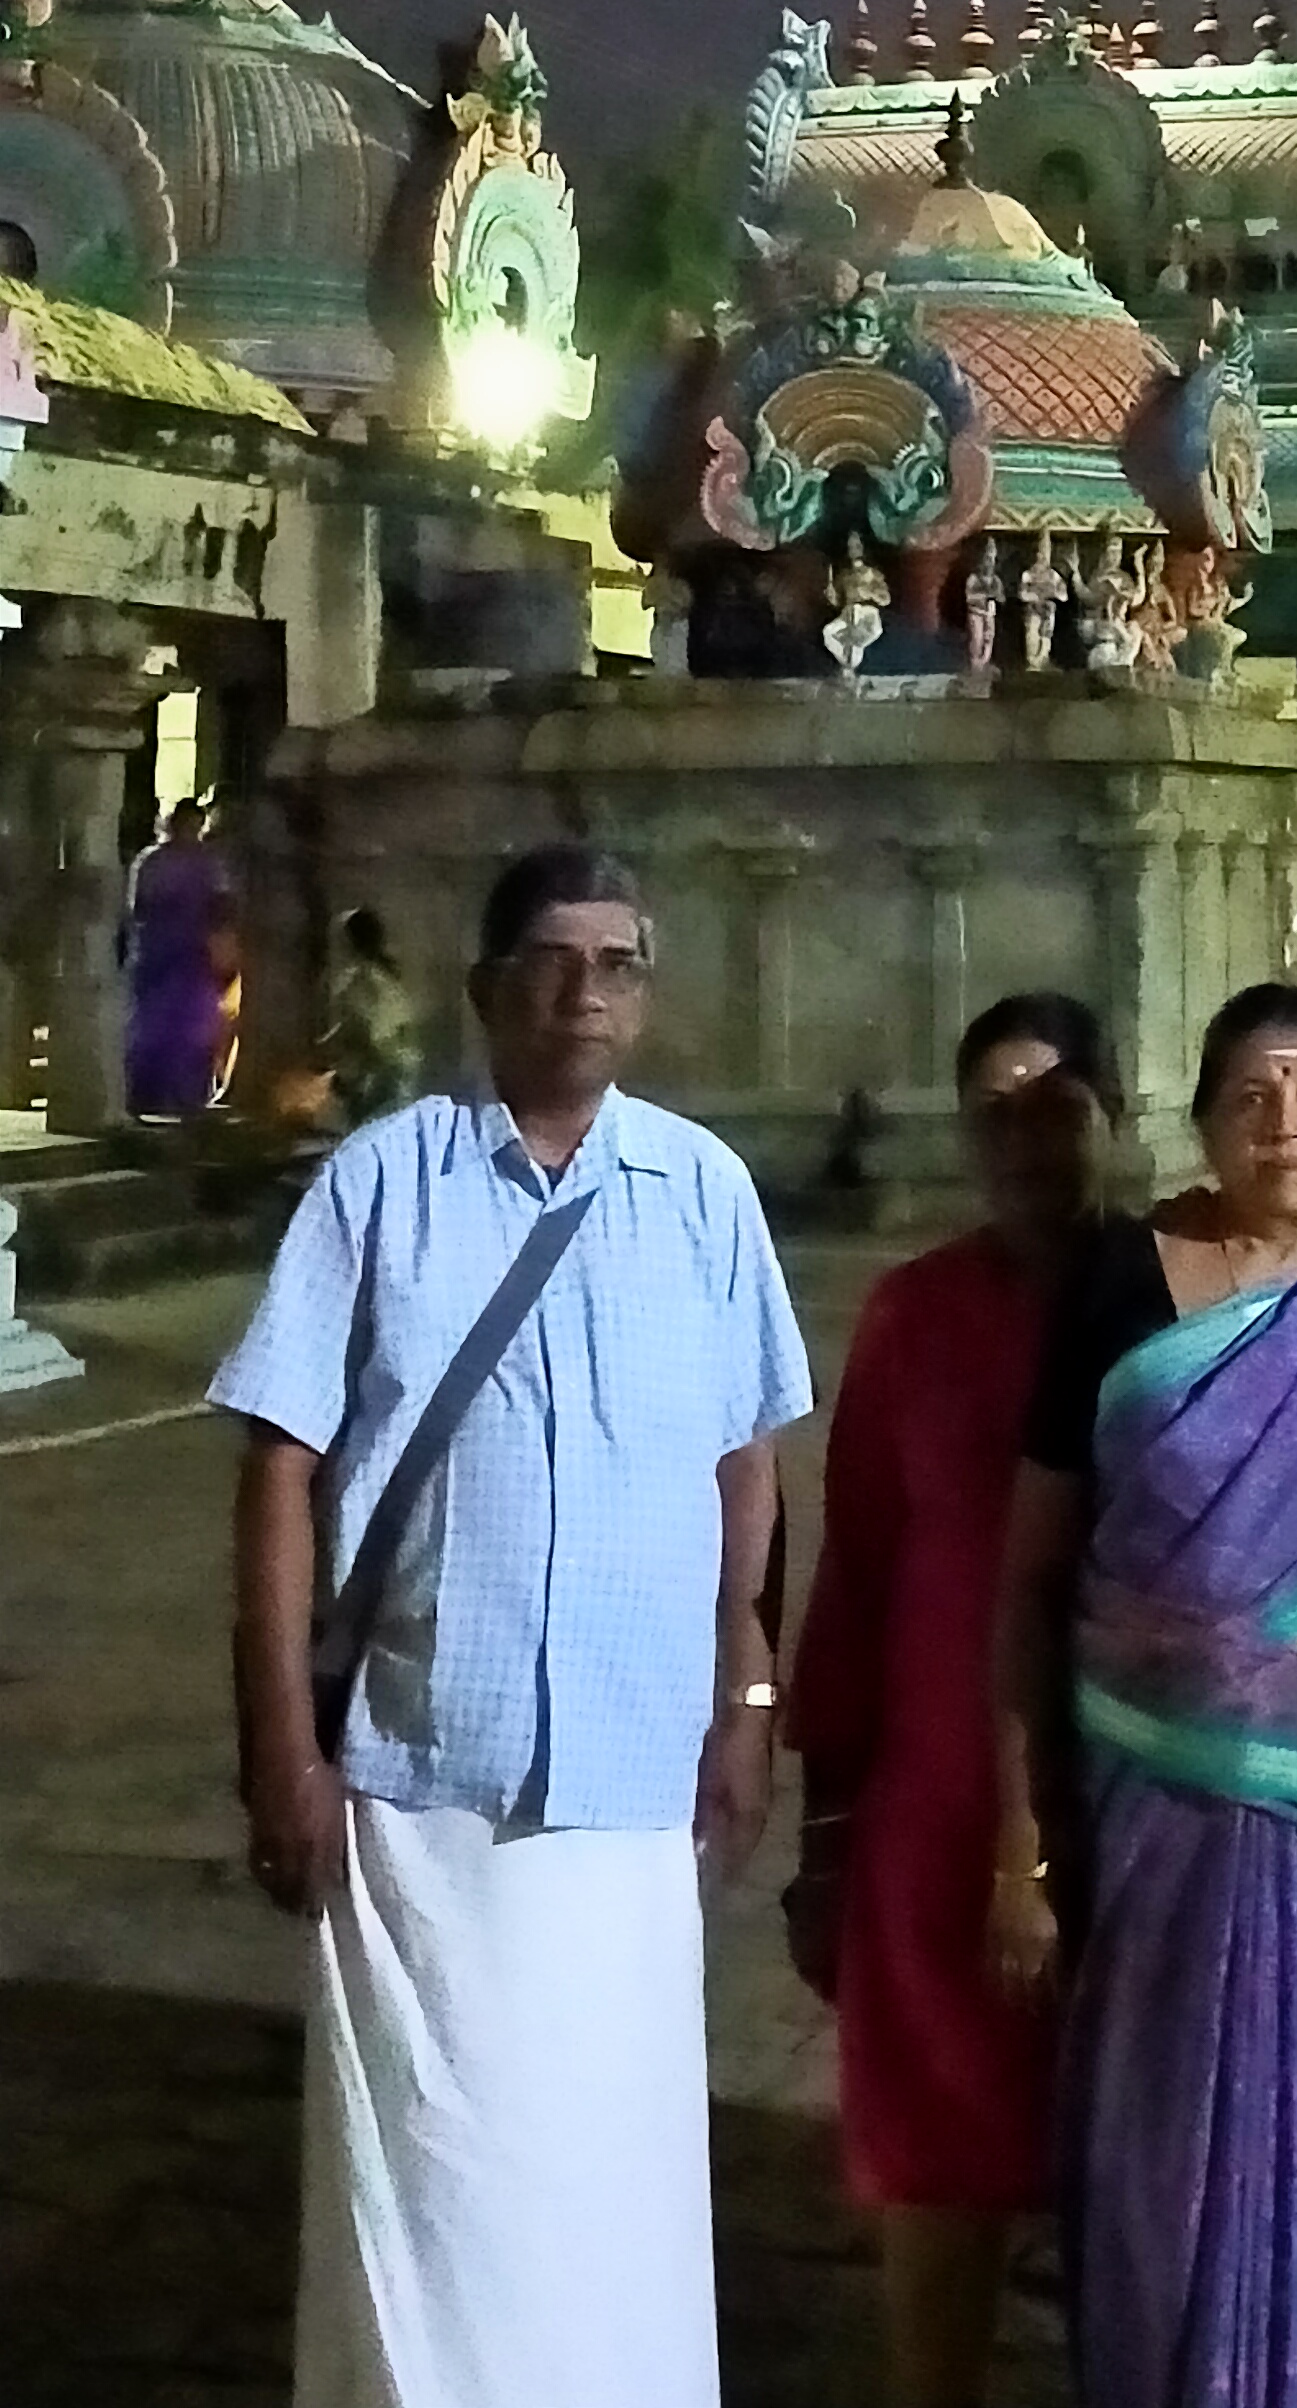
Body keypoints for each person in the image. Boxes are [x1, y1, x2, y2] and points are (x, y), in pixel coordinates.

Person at [212, 841, 813, 2408]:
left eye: (620, 962)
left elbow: (746, 1463)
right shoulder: (381, 1186)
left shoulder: (700, 1193)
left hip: (628, 1783)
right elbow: (283, 1467)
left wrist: (744, 1697)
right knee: (430, 2187)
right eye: (553, 959)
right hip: (420, 1782)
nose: (587, 991)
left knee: (605, 2179)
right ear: (485, 991)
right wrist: (283, 1745)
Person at [990, 981, 1297, 2408]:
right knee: (1161, 2141)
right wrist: (1022, 1845)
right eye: (1251, 1095)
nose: (1286, 1123)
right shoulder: (1123, 1285)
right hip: (1152, 1795)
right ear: (1200, 1125)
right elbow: (1031, 1577)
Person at [782, 994, 1120, 2408]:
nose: (1029, 1140)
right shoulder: (916, 1314)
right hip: (937, 1792)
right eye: (998, 1110)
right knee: (940, 2153)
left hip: (1142, 1787)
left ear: (1112, 1114)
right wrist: (829, 1822)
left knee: (1134, 2154)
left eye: (1059, 1106)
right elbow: (858, 1560)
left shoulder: (1181, 1287)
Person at [124, 793, 239, 1117]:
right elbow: (140, 907)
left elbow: (223, 905)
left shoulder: (209, 862)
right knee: (150, 1029)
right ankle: (146, 1095)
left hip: (194, 958)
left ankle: (186, 1097)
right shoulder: (152, 860)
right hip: (158, 956)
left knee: (194, 1030)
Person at [320, 906, 425, 1130]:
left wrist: (338, 1063)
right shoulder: (389, 978)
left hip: (378, 1081)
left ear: (350, 941)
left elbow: (366, 1031)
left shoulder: (362, 982)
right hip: (396, 1080)